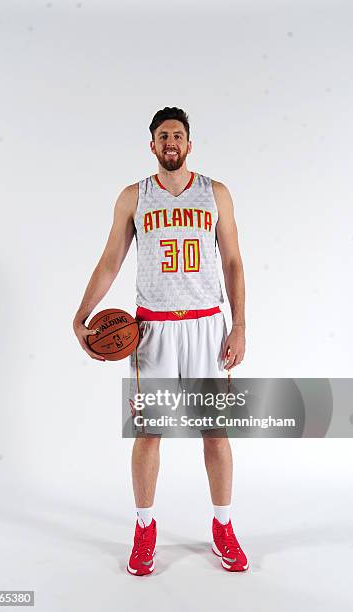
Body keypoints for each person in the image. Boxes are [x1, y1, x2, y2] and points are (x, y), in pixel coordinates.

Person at [73, 107, 248, 575]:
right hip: (151, 331)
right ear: (152, 145)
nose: (171, 141)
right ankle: (144, 529)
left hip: (208, 325)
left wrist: (240, 324)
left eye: (178, 135)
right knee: (150, 432)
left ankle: (223, 527)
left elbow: (233, 262)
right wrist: (82, 313)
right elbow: (111, 259)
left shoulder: (217, 194)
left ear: (190, 145)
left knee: (215, 431)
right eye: (162, 135)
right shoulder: (134, 197)